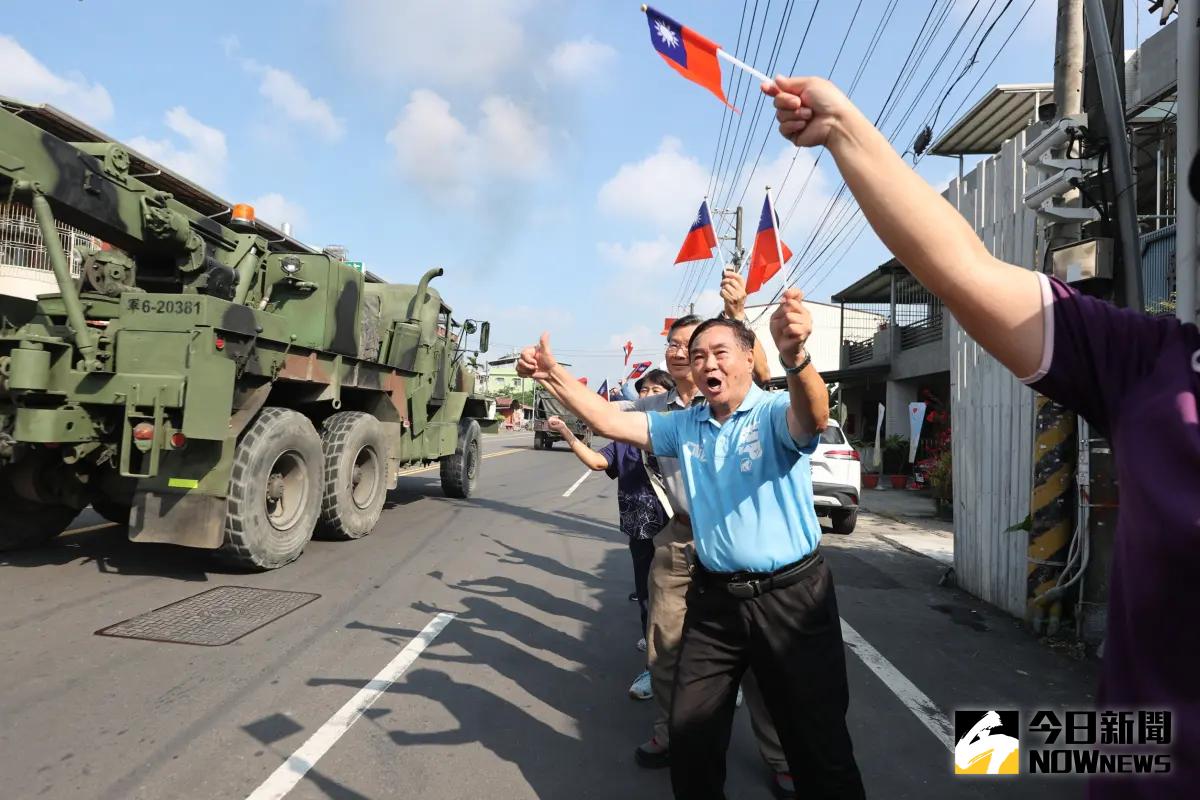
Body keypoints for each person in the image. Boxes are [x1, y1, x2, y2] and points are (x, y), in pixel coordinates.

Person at [762, 74, 1199, 798]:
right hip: (1141, 758)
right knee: (988, 743)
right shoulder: (1155, 363)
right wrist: (840, 127)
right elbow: (965, 270)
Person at [518, 295, 860, 798]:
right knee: (691, 733)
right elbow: (610, 421)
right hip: (714, 598)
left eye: (720, 353)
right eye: (698, 356)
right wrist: (553, 375)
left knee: (818, 740)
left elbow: (812, 415)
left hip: (791, 597)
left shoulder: (771, 413)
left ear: (748, 357)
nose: (706, 364)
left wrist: (795, 358)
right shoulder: (684, 426)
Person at [546, 368, 676, 702]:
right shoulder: (623, 439)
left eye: (658, 390)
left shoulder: (680, 428)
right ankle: (655, 668)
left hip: (682, 527)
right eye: (644, 390)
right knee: (648, 596)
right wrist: (568, 435)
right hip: (640, 529)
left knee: (695, 599)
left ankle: (717, 675)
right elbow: (597, 462)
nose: (649, 395)